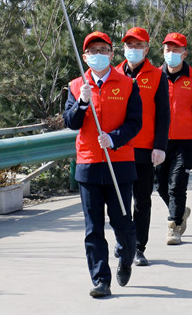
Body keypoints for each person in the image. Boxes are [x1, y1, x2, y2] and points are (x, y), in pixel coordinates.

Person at [63, 31, 143, 298]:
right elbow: (70, 122)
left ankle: (126, 257)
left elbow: (135, 123)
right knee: (93, 229)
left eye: (103, 50)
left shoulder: (128, 84)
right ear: (85, 57)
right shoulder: (77, 86)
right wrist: (82, 103)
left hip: (119, 164)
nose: (98, 55)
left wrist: (114, 138)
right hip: (88, 165)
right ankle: (100, 280)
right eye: (92, 51)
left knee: (122, 224)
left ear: (111, 54)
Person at [114, 27, 169, 266]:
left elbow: (164, 115)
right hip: (119, 148)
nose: (133, 49)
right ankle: (122, 241)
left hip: (145, 148)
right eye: (129, 45)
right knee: (119, 201)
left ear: (146, 49)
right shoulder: (115, 73)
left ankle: (138, 246)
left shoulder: (157, 76)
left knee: (142, 200)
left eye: (138, 46)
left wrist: (160, 146)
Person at [155, 32, 192, 245]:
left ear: (184, 53)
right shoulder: (155, 76)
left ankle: (174, 226)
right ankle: (180, 211)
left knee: (177, 184)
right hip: (159, 140)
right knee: (161, 185)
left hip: (184, 140)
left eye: (176, 50)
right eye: (168, 49)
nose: (171, 53)